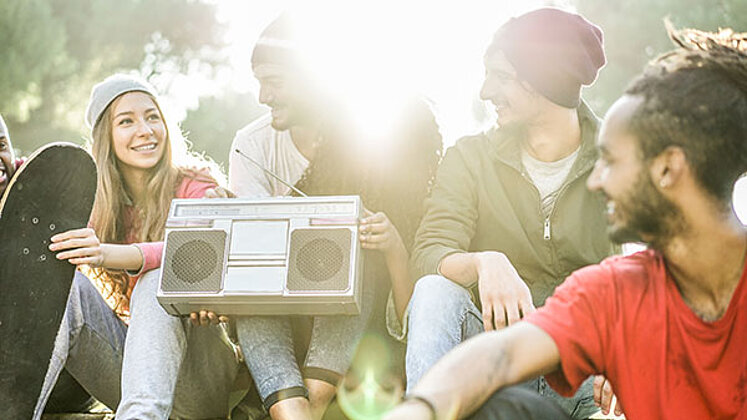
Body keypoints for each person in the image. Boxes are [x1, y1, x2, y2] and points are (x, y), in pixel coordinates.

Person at [383, 24, 747, 420]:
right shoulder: (616, 291)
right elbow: (502, 355)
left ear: (666, 170)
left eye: (610, 161)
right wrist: (419, 409)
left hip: (591, 384)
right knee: (507, 406)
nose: (596, 179)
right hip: (530, 351)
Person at [400, 8, 614, 418]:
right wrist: (484, 262)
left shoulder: (619, 157)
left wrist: (628, 343)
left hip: (586, 370)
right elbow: (427, 254)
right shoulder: (469, 158)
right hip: (492, 363)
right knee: (434, 290)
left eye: (500, 76)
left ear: (544, 78)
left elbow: (653, 265)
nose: (484, 91)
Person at [228, 13, 442, 420]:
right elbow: (252, 255)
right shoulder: (250, 146)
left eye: (274, 81)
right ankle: (292, 408)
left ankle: (313, 399)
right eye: (258, 81)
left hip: (363, 334)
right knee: (252, 281)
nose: (262, 96)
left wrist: (388, 240)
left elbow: (405, 305)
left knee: (353, 249)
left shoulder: (372, 140)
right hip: (281, 322)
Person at [35, 74, 240, 420]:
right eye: (126, 121)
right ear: (106, 137)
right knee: (67, 288)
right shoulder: (98, 203)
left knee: (156, 279)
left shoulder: (195, 184)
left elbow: (190, 248)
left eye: (152, 117)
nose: (145, 130)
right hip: (132, 378)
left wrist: (110, 254)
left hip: (203, 378)